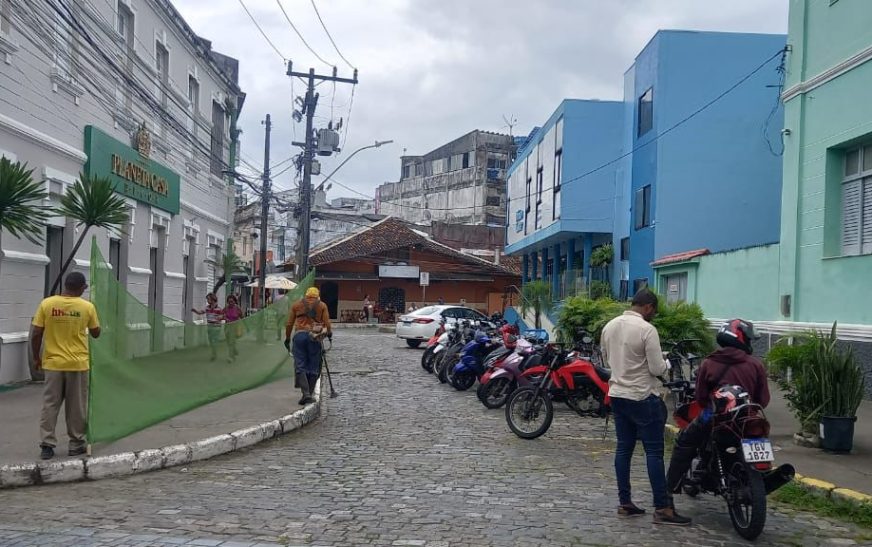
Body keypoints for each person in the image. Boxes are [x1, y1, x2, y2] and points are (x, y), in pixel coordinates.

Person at [601, 289, 691, 526]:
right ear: (649, 307)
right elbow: (656, 369)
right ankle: (662, 507)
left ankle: (625, 502)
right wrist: (667, 362)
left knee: (623, 449)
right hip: (642, 396)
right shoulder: (647, 330)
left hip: (618, 394)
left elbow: (607, 358)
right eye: (654, 310)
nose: (654, 314)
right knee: (653, 452)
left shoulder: (610, 326)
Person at [666, 319, 770, 495]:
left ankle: (668, 492)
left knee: (684, 441)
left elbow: (700, 398)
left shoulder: (709, 363)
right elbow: (763, 400)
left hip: (716, 417)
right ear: (741, 339)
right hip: (748, 418)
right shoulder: (755, 364)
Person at [31, 272, 101, 460]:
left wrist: (36, 357)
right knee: (76, 406)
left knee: (50, 404)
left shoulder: (47, 304)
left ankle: (47, 445)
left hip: (53, 364)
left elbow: (37, 333)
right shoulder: (87, 307)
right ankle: (76, 443)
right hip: (77, 364)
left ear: (65, 285)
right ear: (81, 288)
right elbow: (96, 333)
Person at [285, 287, 332, 405]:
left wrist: (287, 338)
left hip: (299, 336)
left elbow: (289, 323)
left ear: (306, 295)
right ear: (317, 295)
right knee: (313, 366)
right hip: (314, 337)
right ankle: (309, 394)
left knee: (300, 365)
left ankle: (305, 394)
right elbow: (327, 323)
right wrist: (329, 335)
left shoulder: (296, 305)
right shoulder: (322, 305)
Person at [192, 293, 224, 361]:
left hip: (216, 327)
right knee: (211, 341)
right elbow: (201, 312)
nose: (207, 301)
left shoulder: (219, 309)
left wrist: (219, 317)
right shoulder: (207, 308)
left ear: (212, 299)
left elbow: (222, 316)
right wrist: (195, 311)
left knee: (214, 340)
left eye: (208, 299)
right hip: (209, 326)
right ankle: (214, 352)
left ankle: (214, 354)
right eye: (207, 299)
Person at [224, 295, 243, 362]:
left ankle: (231, 357)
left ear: (235, 301)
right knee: (228, 342)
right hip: (227, 327)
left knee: (232, 342)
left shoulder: (237, 308)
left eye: (232, 301)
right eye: (229, 302)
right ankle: (234, 350)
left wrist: (244, 325)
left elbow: (242, 316)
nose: (230, 303)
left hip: (235, 326)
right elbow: (222, 315)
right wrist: (225, 318)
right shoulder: (226, 308)